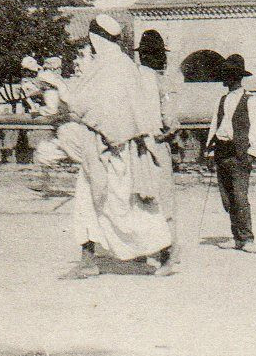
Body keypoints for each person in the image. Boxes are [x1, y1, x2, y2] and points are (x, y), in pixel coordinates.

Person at [40, 14, 170, 279]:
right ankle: (87, 260)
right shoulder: (113, 66)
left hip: (116, 152)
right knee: (87, 204)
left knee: (128, 208)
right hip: (100, 150)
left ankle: (165, 254)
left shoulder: (112, 68)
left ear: (97, 39)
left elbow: (92, 108)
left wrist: (62, 92)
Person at [205, 54, 256, 253]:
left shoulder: (251, 101)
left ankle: (247, 238)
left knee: (240, 196)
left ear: (235, 77)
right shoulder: (222, 100)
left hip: (239, 153)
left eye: (226, 74)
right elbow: (215, 126)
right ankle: (236, 237)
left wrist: (252, 152)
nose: (223, 78)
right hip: (222, 152)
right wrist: (209, 151)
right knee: (227, 198)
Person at [136, 30, 182, 276]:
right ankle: (168, 253)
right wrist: (166, 135)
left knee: (141, 197)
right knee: (164, 199)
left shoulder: (132, 79)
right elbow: (171, 121)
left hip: (135, 146)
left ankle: (147, 250)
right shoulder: (161, 82)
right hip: (156, 143)